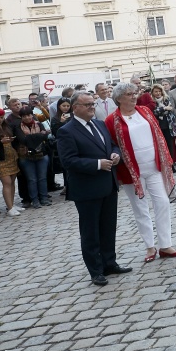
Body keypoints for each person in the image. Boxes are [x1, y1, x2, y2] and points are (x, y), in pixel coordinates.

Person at [56, 91, 131, 286]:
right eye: (87, 104)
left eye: (93, 104)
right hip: (87, 188)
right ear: (75, 108)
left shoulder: (99, 124)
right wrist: (97, 164)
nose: (92, 107)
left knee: (108, 227)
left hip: (108, 184)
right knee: (90, 231)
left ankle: (109, 263)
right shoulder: (66, 131)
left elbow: (113, 146)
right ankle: (96, 270)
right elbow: (68, 161)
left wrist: (115, 155)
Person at [105, 83, 176, 264]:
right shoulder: (111, 120)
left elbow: (158, 135)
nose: (134, 96)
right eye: (128, 94)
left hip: (154, 166)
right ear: (119, 99)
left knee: (162, 202)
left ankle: (165, 244)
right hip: (131, 172)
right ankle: (149, 246)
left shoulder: (145, 111)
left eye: (134, 93)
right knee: (140, 209)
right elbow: (112, 144)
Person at [13, 107, 50, 208]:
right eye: (24, 116)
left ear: (32, 115)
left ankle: (44, 198)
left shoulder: (39, 124)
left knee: (42, 178)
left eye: (29, 115)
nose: (27, 118)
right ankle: (35, 200)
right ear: (21, 117)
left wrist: (31, 138)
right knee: (31, 179)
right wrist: (39, 135)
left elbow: (45, 137)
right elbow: (23, 140)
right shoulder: (18, 127)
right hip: (26, 156)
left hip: (41, 154)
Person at [150, 85, 176, 172]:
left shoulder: (166, 99)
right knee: (161, 146)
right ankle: (163, 165)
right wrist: (165, 108)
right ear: (153, 93)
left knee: (170, 145)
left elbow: (171, 108)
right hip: (158, 127)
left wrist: (162, 109)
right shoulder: (152, 102)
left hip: (168, 126)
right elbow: (155, 112)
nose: (158, 93)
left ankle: (171, 165)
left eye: (159, 91)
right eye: (156, 91)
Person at [0, 109, 21, 216]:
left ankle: (11, 204)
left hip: (11, 156)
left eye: (1, 117)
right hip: (1, 159)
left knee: (12, 181)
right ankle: (10, 208)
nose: (0, 119)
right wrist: (1, 142)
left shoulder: (5, 126)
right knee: (6, 182)